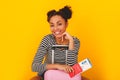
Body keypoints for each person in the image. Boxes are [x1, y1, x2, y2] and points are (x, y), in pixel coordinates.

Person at [32, 6, 81, 80]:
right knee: (48, 74)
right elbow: (35, 66)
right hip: (49, 75)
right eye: (52, 25)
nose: (55, 28)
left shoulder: (75, 41)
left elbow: (72, 67)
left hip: (66, 76)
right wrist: (57, 66)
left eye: (59, 24)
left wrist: (71, 42)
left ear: (66, 24)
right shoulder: (47, 40)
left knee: (77, 76)